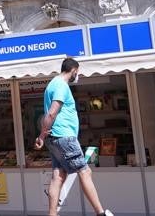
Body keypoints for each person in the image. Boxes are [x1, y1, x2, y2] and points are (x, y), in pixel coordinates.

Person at [36, 57, 113, 216]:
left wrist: (43, 135)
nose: (77, 76)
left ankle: (52, 214)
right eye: (77, 73)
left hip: (55, 138)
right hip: (65, 137)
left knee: (58, 176)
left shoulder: (51, 84)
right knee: (85, 172)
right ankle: (100, 213)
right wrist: (42, 135)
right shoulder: (61, 86)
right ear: (74, 70)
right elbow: (52, 112)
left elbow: (49, 114)